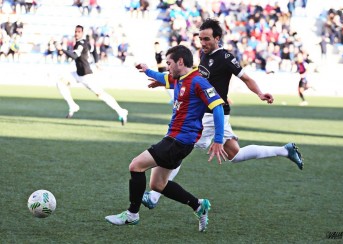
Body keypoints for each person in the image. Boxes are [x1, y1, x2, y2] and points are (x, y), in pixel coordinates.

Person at [142, 18, 303, 210]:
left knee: (181, 143)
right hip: (210, 112)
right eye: (201, 39)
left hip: (212, 113)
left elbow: (246, 78)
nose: (203, 43)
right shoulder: (203, 54)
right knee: (235, 154)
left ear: (217, 38)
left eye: (207, 39)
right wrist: (164, 81)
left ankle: (154, 195)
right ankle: (285, 150)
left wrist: (260, 93)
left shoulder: (225, 58)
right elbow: (192, 78)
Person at [105, 45, 227, 232]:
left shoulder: (198, 81)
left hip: (179, 141)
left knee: (136, 166)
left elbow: (218, 106)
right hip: (176, 139)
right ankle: (198, 205)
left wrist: (218, 139)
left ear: (180, 62)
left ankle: (132, 215)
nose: (167, 67)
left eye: (169, 63)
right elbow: (163, 77)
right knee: (157, 184)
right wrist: (147, 70)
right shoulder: (178, 78)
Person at [55, 25, 128, 125]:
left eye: (79, 32)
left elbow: (75, 56)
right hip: (78, 74)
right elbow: (94, 51)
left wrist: (62, 49)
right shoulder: (86, 42)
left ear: (82, 33)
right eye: (76, 31)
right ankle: (72, 105)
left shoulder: (81, 43)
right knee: (60, 81)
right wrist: (97, 62)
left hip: (86, 76)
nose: (76, 33)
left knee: (101, 95)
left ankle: (121, 111)